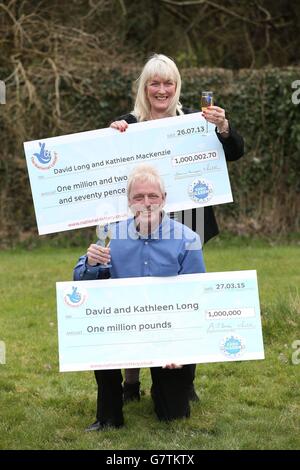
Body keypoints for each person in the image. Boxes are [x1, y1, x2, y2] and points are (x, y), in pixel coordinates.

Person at [109, 53, 244, 402]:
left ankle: (184, 380)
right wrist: (111, 138)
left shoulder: (198, 121)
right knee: (135, 304)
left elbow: (235, 151)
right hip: (139, 227)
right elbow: (104, 164)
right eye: (155, 82)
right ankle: (130, 383)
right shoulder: (128, 124)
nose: (162, 89)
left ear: (176, 86)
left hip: (188, 225)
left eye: (168, 82)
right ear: (145, 87)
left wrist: (223, 128)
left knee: (186, 304)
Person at [73, 164, 206, 430]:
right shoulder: (112, 235)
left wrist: (181, 348)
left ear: (164, 199)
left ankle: (169, 386)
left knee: (174, 416)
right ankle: (109, 416)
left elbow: (198, 297)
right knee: (99, 337)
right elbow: (80, 282)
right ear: (129, 202)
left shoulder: (187, 239)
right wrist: (89, 263)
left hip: (168, 330)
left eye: (153, 196)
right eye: (138, 197)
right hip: (124, 326)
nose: (146, 203)